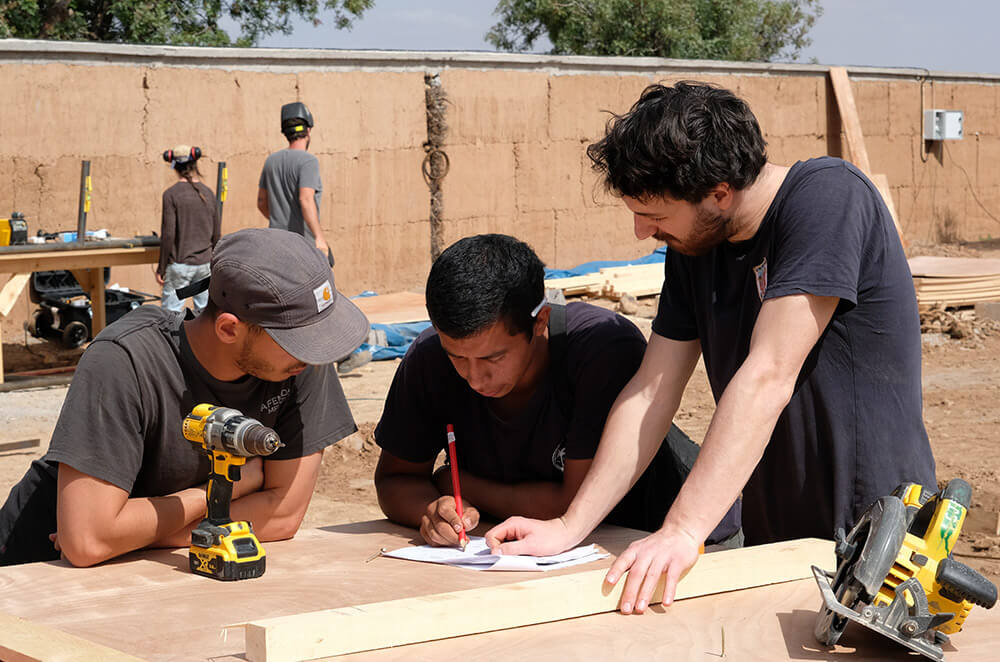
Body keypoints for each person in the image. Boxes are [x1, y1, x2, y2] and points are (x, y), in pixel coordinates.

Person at [485, 82, 936, 614]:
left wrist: (681, 529)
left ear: (719, 193)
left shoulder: (825, 197)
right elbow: (652, 390)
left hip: (878, 534)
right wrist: (570, 525)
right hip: (779, 532)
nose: (641, 232)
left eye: (654, 214)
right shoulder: (696, 247)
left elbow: (768, 374)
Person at [0, 228, 370, 567]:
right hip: (33, 571)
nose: (315, 355)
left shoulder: (297, 362)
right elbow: (86, 543)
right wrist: (229, 487)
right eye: (300, 341)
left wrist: (126, 536)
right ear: (229, 328)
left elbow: (283, 515)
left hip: (141, 570)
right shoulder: (125, 359)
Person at [373, 233, 740, 547]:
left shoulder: (600, 349)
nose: (474, 378)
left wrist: (457, 484)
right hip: (535, 547)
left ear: (540, 321)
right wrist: (434, 511)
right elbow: (395, 480)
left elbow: (575, 505)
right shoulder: (429, 357)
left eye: (493, 359)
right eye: (458, 358)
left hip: (670, 539)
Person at [257, 101, 332, 262]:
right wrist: (319, 237)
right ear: (308, 130)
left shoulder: (271, 161)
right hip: (303, 245)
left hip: (277, 242)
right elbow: (306, 199)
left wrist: (279, 221)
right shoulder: (308, 161)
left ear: (285, 132)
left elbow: (261, 202)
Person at [157, 144, 221, 313]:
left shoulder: (171, 194)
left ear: (174, 165)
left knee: (170, 316)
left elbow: (168, 235)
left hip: (180, 265)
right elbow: (216, 235)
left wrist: (161, 268)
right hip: (205, 265)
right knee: (206, 314)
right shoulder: (208, 193)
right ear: (195, 164)